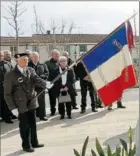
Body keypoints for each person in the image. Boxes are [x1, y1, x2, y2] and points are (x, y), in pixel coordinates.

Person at [4, 53, 46, 153]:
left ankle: (34, 142)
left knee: (33, 124)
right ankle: (26, 145)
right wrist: (12, 108)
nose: (26, 62)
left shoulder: (30, 70)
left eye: (27, 60)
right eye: (23, 60)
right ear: (17, 61)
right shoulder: (10, 75)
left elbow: (37, 80)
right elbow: (7, 94)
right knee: (24, 126)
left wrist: (46, 84)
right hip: (20, 105)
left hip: (31, 102)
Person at [28, 51, 49, 121]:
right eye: (34, 57)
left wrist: (41, 78)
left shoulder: (42, 64)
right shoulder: (28, 65)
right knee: (32, 101)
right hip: (32, 87)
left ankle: (42, 116)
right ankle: (32, 116)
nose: (36, 58)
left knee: (41, 101)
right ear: (31, 58)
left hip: (41, 86)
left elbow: (46, 73)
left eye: (37, 57)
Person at [0, 51, 17, 123]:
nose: (0, 57)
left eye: (1, 56)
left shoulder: (8, 64)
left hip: (8, 86)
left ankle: (7, 117)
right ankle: (2, 116)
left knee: (8, 101)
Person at [44, 49, 60, 116]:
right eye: (55, 54)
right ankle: (52, 111)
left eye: (58, 55)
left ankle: (60, 110)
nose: (56, 56)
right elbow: (46, 73)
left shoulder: (61, 62)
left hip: (59, 84)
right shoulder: (47, 63)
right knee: (52, 99)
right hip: (51, 84)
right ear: (52, 55)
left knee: (60, 98)